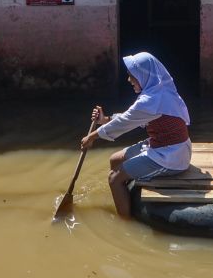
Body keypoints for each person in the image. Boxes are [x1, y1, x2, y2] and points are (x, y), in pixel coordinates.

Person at [81, 52, 191, 219]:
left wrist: (92, 137)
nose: (129, 80)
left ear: (144, 75)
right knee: (114, 160)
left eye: (132, 76)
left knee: (113, 179)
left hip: (171, 156)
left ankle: (125, 222)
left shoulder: (151, 100)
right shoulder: (161, 90)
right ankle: (124, 196)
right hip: (163, 145)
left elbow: (126, 121)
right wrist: (105, 120)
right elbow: (134, 117)